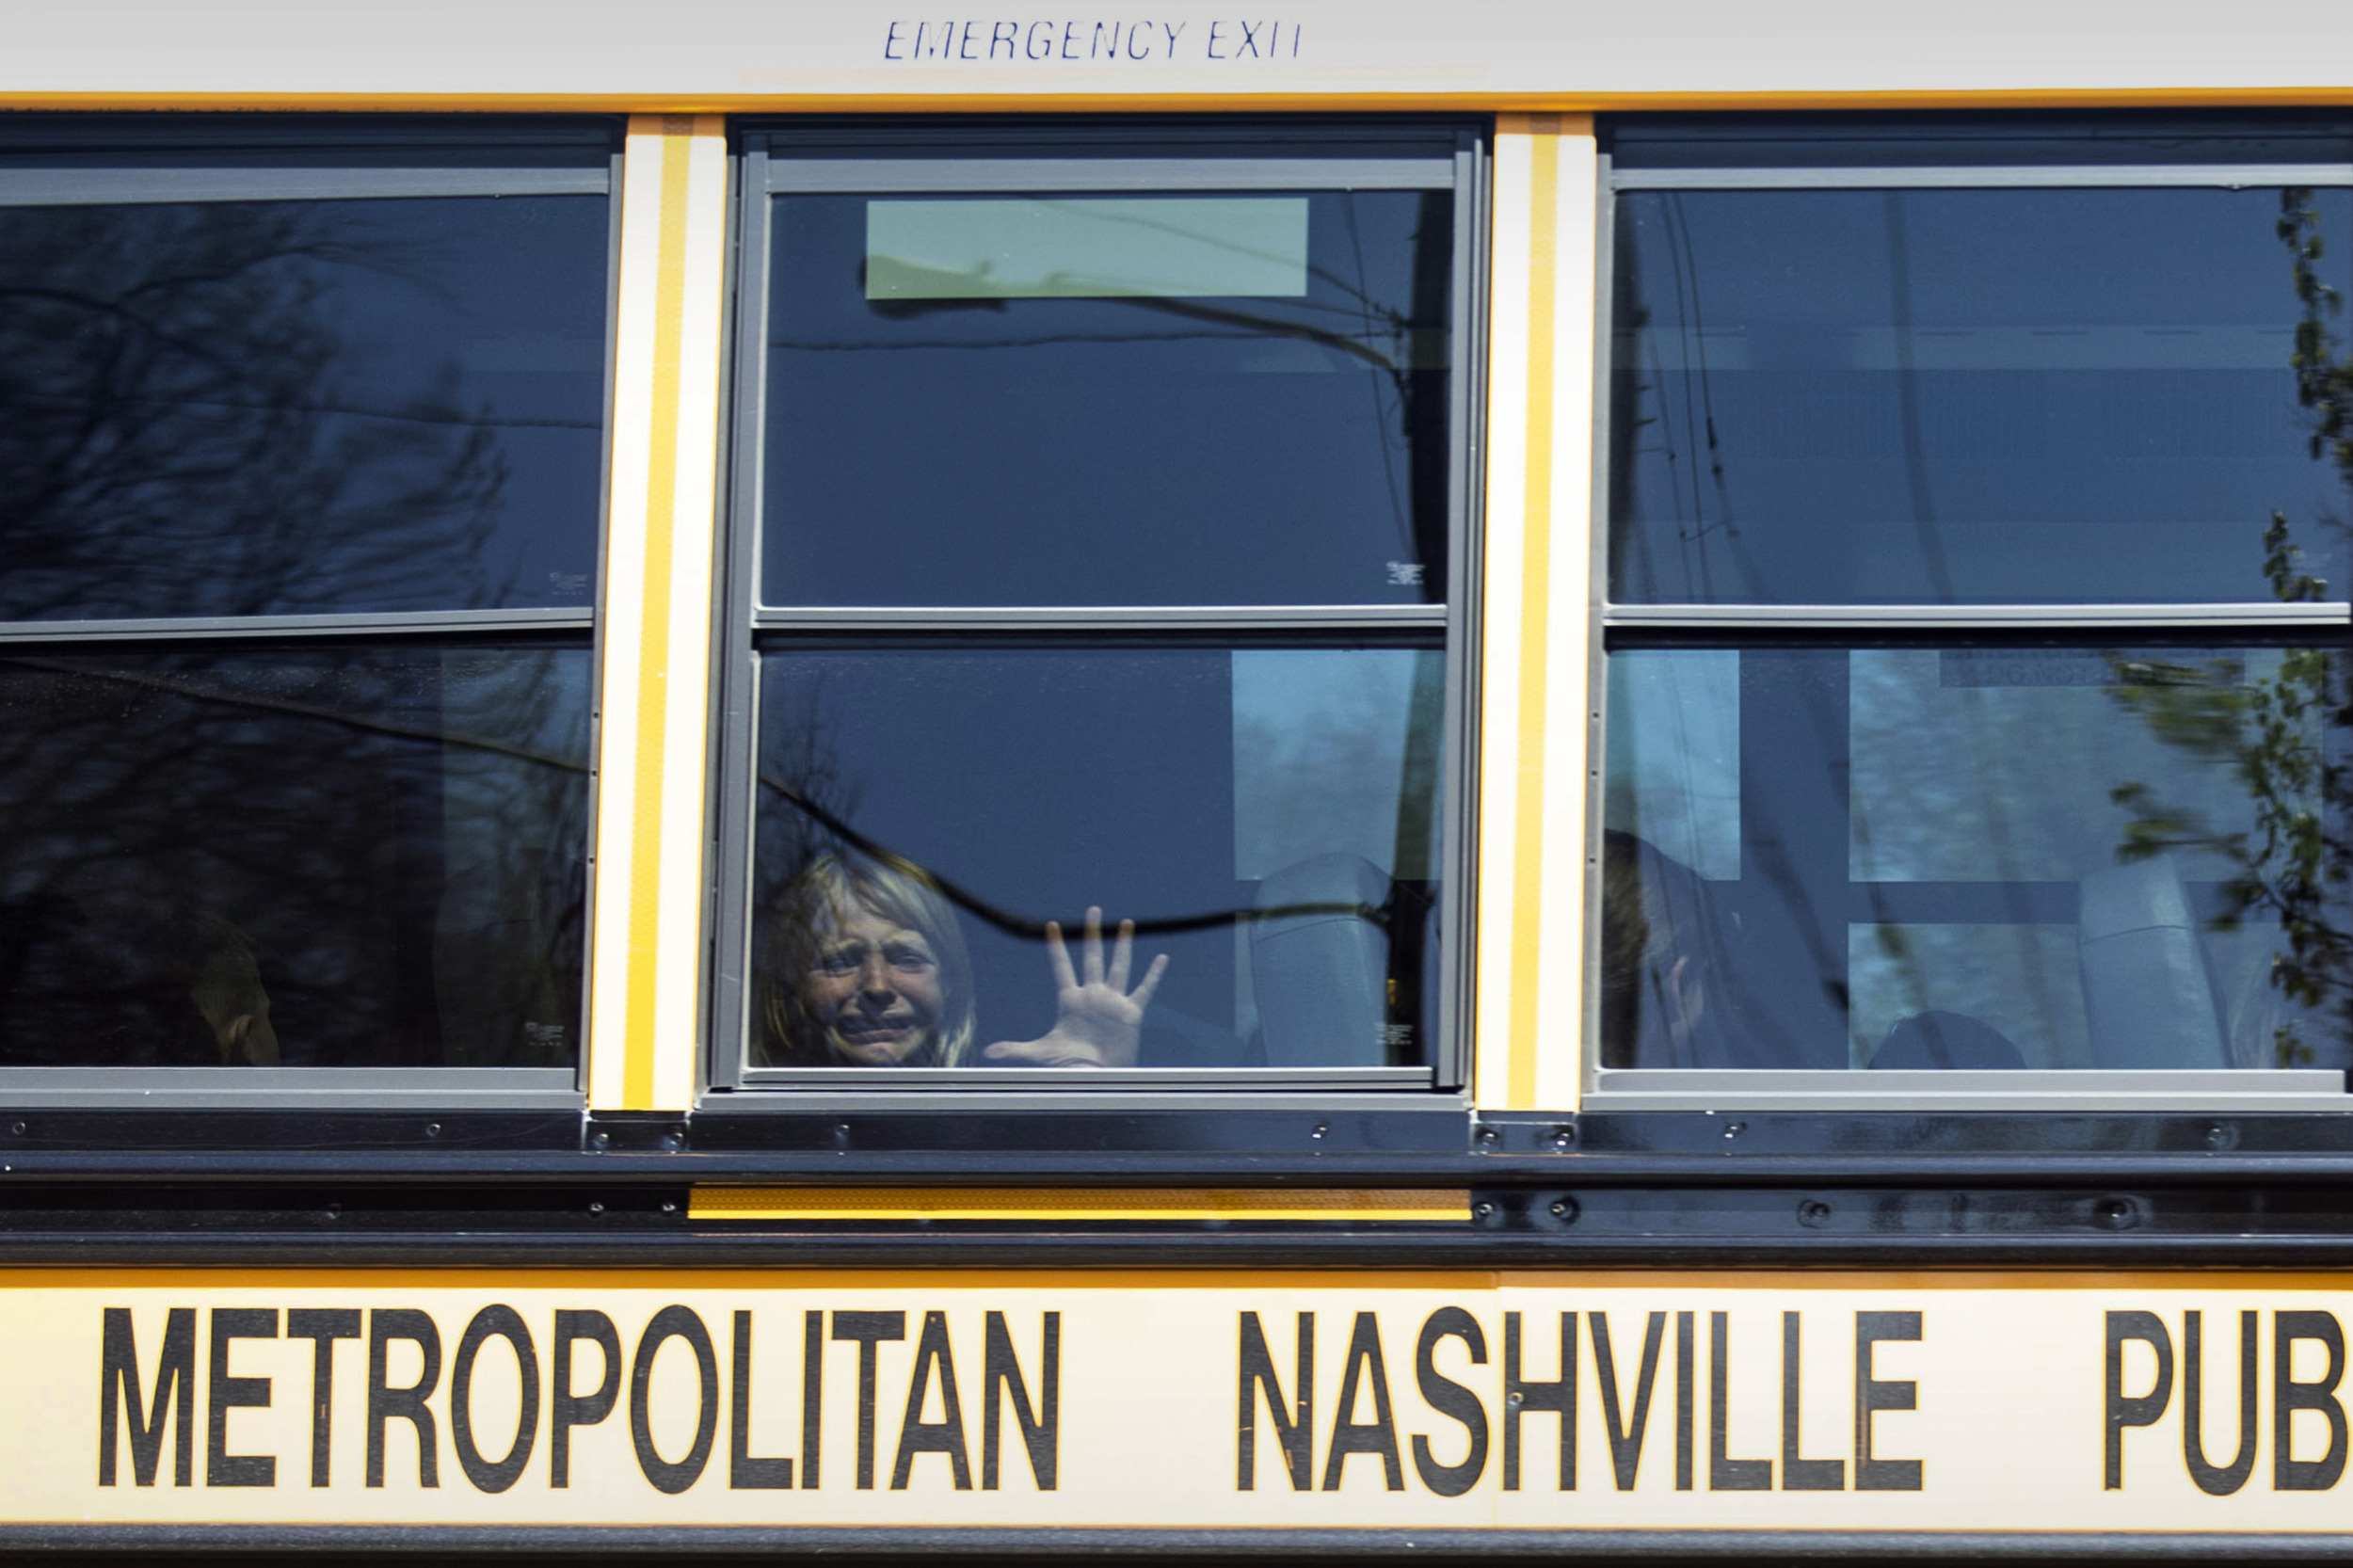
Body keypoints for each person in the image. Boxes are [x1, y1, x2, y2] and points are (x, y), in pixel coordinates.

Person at [760, 850, 1167, 1068]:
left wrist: (1089, 1075)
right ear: (794, 989)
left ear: (950, 984)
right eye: (840, 961)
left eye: (907, 957)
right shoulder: (755, 1128)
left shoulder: (1000, 1115)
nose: (877, 986)